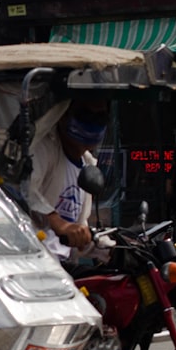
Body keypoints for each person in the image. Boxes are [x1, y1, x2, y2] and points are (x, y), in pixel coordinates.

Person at [23, 99, 109, 259]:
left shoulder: (88, 164)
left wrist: (110, 249)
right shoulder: (44, 149)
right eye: (86, 115)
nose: (94, 122)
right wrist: (59, 224)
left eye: (100, 117)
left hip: (63, 268)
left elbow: (78, 236)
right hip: (35, 262)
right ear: (63, 116)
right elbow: (25, 191)